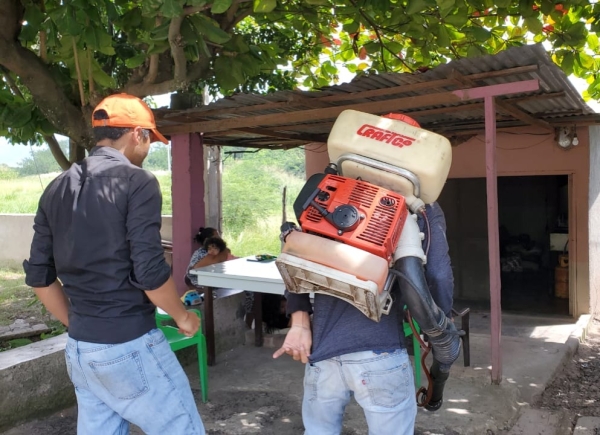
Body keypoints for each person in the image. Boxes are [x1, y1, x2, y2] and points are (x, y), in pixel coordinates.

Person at [23, 93, 205, 435]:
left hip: (80, 350)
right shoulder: (138, 182)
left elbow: (39, 278)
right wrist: (184, 317)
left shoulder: (55, 188)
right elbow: (150, 273)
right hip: (129, 344)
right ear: (137, 134)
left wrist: (80, 325)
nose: (149, 147)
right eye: (150, 138)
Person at [273, 203, 455, 434]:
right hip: (381, 350)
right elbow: (438, 276)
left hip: (323, 352)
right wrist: (441, 332)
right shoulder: (422, 206)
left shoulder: (329, 193)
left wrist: (300, 323)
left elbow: (296, 254)